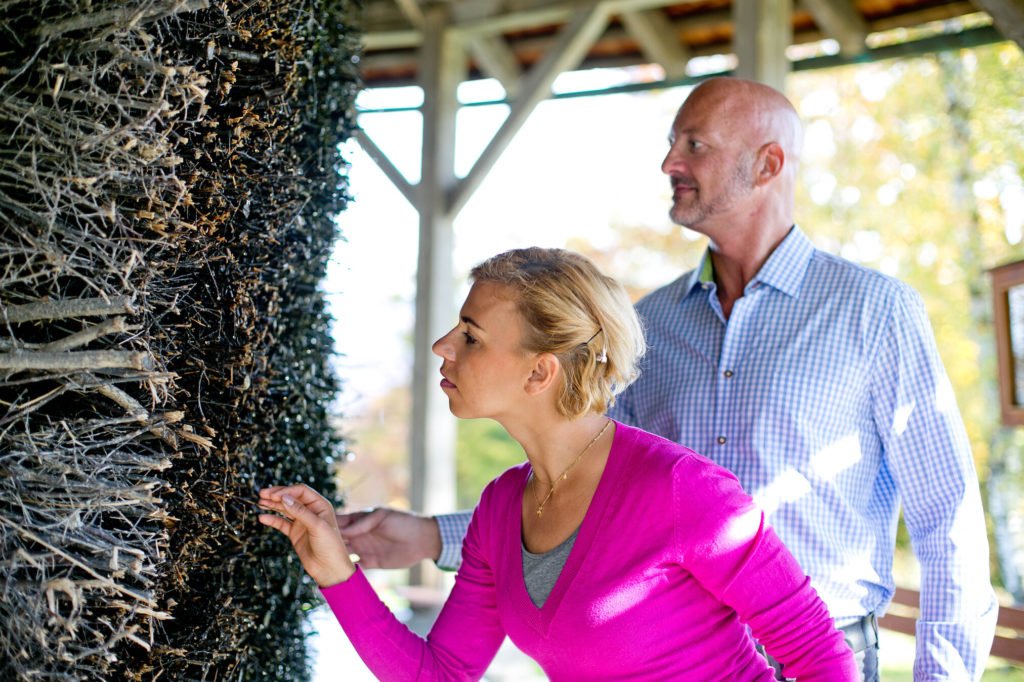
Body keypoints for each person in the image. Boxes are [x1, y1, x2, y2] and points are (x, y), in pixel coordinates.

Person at [336, 77, 998, 681]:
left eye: (695, 145)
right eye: (671, 142)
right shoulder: (648, 327)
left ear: (768, 164)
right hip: (660, 652)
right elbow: (591, 489)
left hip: (821, 658)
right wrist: (431, 535)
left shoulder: (872, 311)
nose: (669, 164)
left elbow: (947, 521)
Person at [259, 247, 858, 680]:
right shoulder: (499, 509)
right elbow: (439, 674)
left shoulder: (683, 490)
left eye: (470, 335)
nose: (443, 346)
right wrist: (336, 572)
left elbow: (821, 656)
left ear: (539, 371)